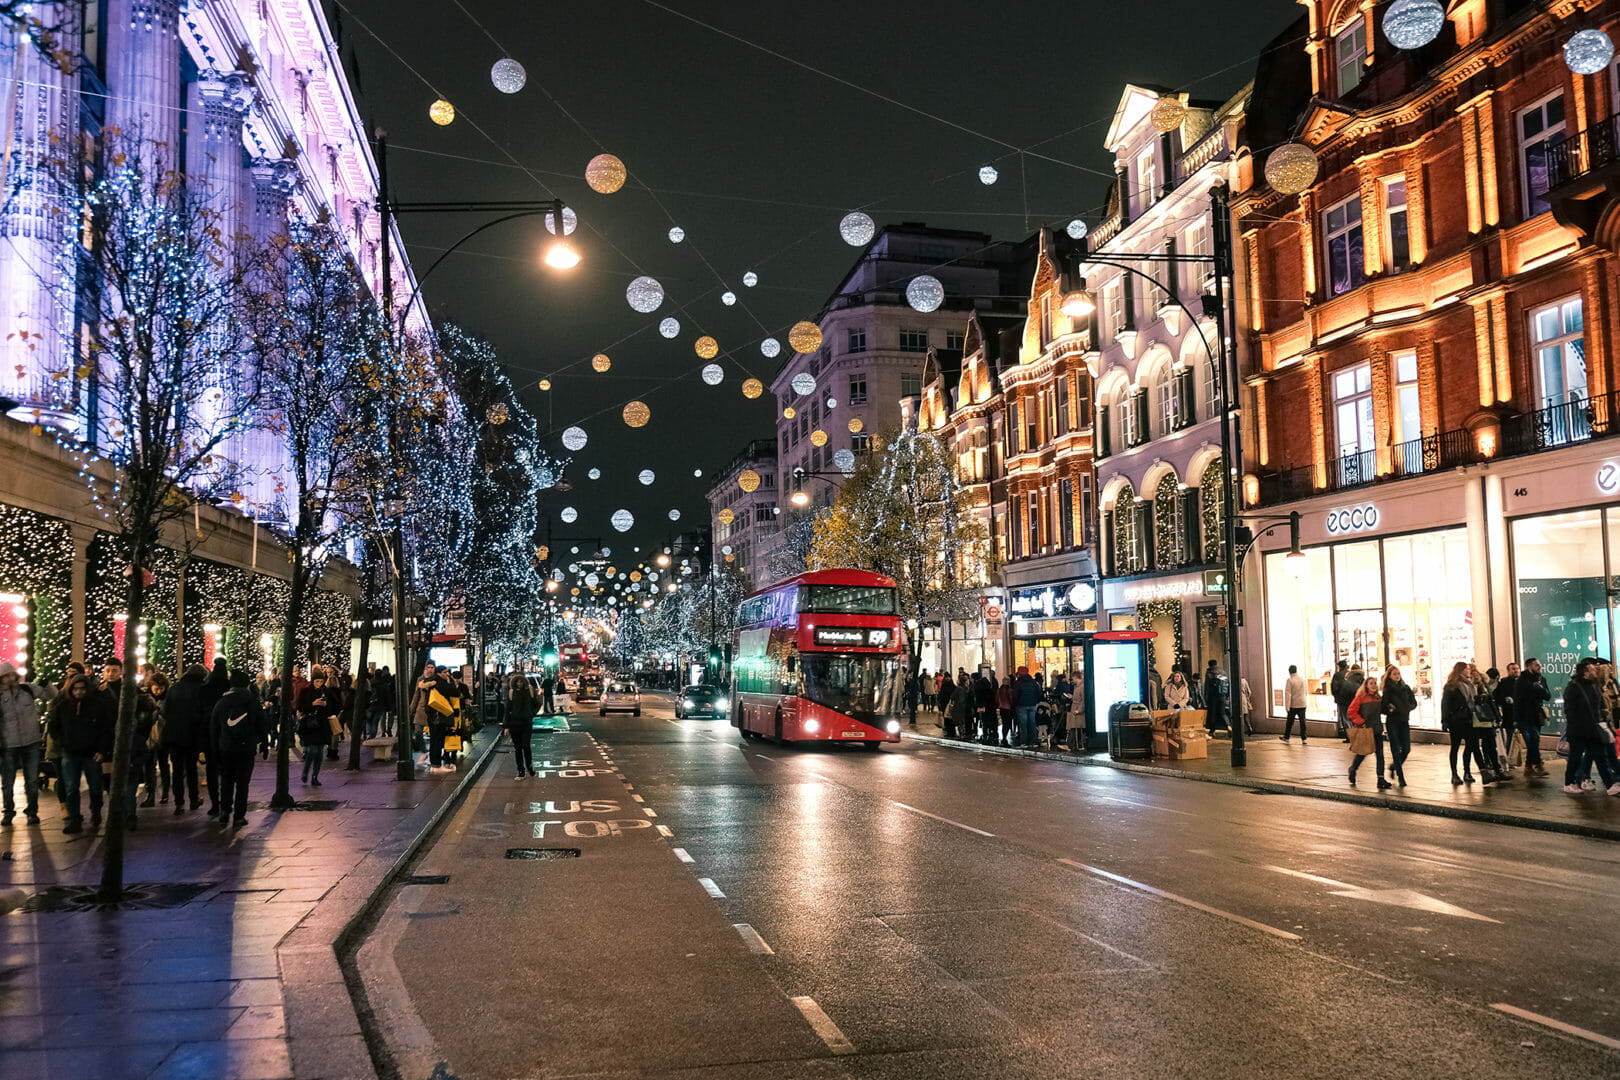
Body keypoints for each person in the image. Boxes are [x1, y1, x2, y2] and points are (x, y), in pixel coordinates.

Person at [49, 674, 111, 833]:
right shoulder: (63, 705)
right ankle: (74, 819)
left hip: (91, 752)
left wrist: (101, 750)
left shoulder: (97, 705)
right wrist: (63, 742)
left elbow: (105, 729)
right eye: (76, 689)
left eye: (82, 689)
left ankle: (95, 812)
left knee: (96, 788)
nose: (79, 692)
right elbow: (53, 726)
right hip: (71, 751)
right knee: (71, 788)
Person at [212, 670, 266, 828]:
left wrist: (214, 747)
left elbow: (214, 727)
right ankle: (239, 816)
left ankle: (224, 811)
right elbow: (262, 722)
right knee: (243, 782)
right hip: (246, 747)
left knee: (227, 779)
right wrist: (263, 742)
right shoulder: (252, 701)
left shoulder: (222, 702)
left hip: (226, 747)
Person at [0, 660, 47, 826]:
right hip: (8, 745)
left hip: (31, 742)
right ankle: (8, 811)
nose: (9, 678)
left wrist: (47, 685)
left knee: (32, 781)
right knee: (7, 782)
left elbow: (51, 695)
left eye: (11, 675)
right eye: (5, 676)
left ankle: (32, 812)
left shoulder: (27, 689)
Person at [1563, 658, 1620, 795]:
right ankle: (1569, 783)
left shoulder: (1594, 686)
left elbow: (1599, 706)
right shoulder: (1574, 687)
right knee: (1575, 758)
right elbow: (1570, 710)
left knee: (1601, 757)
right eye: (1592, 669)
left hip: (1593, 729)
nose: (1595, 671)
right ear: (1585, 673)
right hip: (1579, 731)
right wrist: (1578, 725)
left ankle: (1610, 786)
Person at [162, 665, 208, 813]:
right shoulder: (201, 689)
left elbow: (166, 709)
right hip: (192, 734)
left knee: (177, 770)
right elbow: (202, 712)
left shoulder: (174, 688)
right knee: (191, 769)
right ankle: (193, 799)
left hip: (174, 735)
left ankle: (179, 803)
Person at [1441, 661, 1485, 785]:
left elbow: (1473, 700)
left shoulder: (1471, 684)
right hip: (1457, 720)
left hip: (1470, 719)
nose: (1468, 671)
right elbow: (1445, 704)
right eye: (1466, 669)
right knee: (1455, 747)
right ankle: (1454, 773)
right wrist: (1445, 720)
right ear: (1460, 671)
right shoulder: (1451, 686)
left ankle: (1467, 772)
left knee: (1471, 746)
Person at [295, 668, 339, 787]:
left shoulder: (326, 691)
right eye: (317, 681)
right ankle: (306, 771)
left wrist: (326, 705)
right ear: (313, 681)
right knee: (312, 750)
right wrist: (312, 704)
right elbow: (299, 706)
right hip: (309, 724)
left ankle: (315, 776)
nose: (319, 684)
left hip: (321, 724)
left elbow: (335, 705)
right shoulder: (305, 691)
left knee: (319, 751)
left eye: (321, 681)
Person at [409, 663, 456, 773]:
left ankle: (434, 762)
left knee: (435, 739)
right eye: (445, 672)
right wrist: (449, 682)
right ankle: (436, 764)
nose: (447, 674)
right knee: (437, 739)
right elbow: (454, 692)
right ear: (439, 673)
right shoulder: (439, 682)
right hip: (437, 714)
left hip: (431, 714)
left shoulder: (429, 681)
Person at [1347, 673, 1389, 789]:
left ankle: (1380, 778)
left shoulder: (1378, 697)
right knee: (1362, 753)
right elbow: (1351, 712)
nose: (1374, 685)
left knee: (1380, 755)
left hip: (1377, 729)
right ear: (1366, 686)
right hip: (1365, 730)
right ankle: (1353, 769)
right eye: (1371, 683)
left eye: (1375, 683)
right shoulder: (1360, 698)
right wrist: (1361, 722)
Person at [199, 658, 229, 815]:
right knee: (226, 771)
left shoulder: (205, 689)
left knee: (211, 771)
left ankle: (215, 804)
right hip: (226, 734)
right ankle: (225, 804)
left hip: (209, 733)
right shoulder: (229, 689)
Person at [1513, 658, 1551, 778]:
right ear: (1529, 666)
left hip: (1536, 715)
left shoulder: (1541, 679)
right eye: (1536, 665)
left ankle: (1529, 766)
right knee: (1533, 739)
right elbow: (1517, 700)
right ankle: (1538, 764)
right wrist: (1516, 718)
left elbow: (1548, 696)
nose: (1539, 667)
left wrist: (1539, 688)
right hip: (1524, 715)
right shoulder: (1521, 680)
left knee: (1534, 740)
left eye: (1539, 664)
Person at [139, 671, 171, 806]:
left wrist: (158, 710)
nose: (158, 691)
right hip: (149, 737)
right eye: (156, 688)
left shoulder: (168, 699)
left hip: (164, 736)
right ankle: (150, 794)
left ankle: (165, 793)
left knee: (163, 764)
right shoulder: (145, 698)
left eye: (161, 689)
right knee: (149, 766)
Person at [1381, 664, 1415, 786]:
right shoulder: (1387, 689)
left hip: (1404, 721)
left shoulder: (1406, 688)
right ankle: (1401, 777)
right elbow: (1383, 707)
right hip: (1393, 722)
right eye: (1394, 674)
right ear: (1389, 676)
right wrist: (1389, 708)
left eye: (1398, 674)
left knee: (1406, 749)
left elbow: (1413, 702)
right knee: (1395, 749)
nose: (1397, 676)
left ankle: (1394, 767)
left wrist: (1407, 708)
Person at [1471, 665, 1505, 784]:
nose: (1474, 674)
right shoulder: (1469, 687)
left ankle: (1497, 770)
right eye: (1471, 672)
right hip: (1475, 720)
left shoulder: (1484, 685)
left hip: (1486, 718)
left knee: (1491, 744)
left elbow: (1491, 702)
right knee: (1476, 747)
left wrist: (1497, 716)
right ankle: (1484, 770)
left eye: (1475, 671)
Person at [507, 673, 538, 778]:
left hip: (526, 723)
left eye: (521, 681)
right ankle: (521, 770)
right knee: (518, 748)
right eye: (517, 682)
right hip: (514, 723)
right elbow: (507, 709)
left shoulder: (529, 691)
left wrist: (531, 714)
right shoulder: (512, 693)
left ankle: (529, 767)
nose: (519, 683)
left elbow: (537, 704)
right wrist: (506, 726)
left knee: (526, 745)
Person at [1013, 666, 1041, 748]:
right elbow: (1038, 692)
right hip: (1032, 705)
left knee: (1023, 725)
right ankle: (1033, 741)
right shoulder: (1033, 682)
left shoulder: (1018, 683)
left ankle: (1024, 742)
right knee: (1032, 723)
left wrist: (1016, 704)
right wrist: (1035, 701)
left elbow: (1015, 695)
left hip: (1021, 705)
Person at [1282, 664, 1308, 742]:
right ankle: (1304, 738)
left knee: (1290, 722)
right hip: (1302, 703)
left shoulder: (1290, 680)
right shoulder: (1302, 680)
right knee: (1302, 722)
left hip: (1293, 704)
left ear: (1289, 671)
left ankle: (1287, 737)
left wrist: (1287, 706)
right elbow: (1305, 691)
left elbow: (1288, 694)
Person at [1202, 661, 1228, 735]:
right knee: (1223, 713)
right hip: (1222, 695)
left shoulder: (1209, 672)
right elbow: (1227, 684)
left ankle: (1212, 730)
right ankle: (1228, 726)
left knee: (1212, 713)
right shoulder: (1223, 672)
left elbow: (1207, 686)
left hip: (1212, 696)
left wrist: (1206, 698)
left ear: (1209, 665)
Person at [996, 675, 1015, 747]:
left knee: (1004, 723)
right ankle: (1004, 738)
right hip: (1008, 709)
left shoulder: (999, 690)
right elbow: (1011, 700)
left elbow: (997, 700)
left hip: (1002, 708)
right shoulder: (1009, 690)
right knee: (1007, 724)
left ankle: (1004, 737)